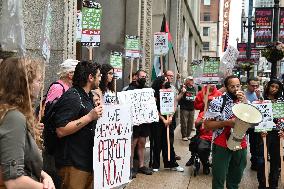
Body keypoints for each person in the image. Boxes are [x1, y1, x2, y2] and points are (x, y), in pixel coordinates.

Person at [0, 57, 55, 189]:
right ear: (24, 84)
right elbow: (13, 181)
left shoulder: (12, 113)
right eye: (38, 80)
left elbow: (17, 160)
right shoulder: (14, 117)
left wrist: (44, 175)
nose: (41, 85)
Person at [53, 60, 103, 189]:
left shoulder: (87, 96)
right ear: (90, 77)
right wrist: (89, 116)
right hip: (73, 163)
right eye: (99, 75)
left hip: (86, 160)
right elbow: (61, 129)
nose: (101, 78)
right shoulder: (72, 96)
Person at [204, 75, 248, 189]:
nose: (236, 89)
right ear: (226, 87)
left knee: (236, 177)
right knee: (219, 178)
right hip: (221, 144)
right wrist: (227, 123)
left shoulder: (245, 102)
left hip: (240, 143)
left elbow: (253, 122)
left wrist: (245, 104)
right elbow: (207, 125)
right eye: (232, 86)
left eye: (237, 86)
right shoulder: (217, 102)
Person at [42, 59, 78, 188]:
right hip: (55, 138)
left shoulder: (69, 88)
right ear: (70, 74)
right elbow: (49, 112)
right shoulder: (58, 87)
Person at [186, 85, 222, 175]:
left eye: (213, 101)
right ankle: (204, 163)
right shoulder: (201, 96)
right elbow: (197, 122)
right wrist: (202, 119)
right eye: (210, 101)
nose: (211, 103)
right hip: (205, 136)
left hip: (217, 136)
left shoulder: (220, 110)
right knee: (198, 145)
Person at [151, 76, 184, 172]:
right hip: (157, 122)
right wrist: (163, 119)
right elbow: (154, 108)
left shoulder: (169, 92)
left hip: (168, 120)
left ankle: (171, 163)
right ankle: (155, 165)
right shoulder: (155, 94)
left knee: (168, 143)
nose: (167, 81)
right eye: (165, 80)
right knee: (157, 143)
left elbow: (174, 104)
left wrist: (170, 117)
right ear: (161, 82)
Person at [256, 79, 284, 189]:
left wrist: (282, 130)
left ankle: (273, 184)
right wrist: (260, 129)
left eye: (277, 87)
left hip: (276, 134)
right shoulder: (262, 98)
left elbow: (280, 119)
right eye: (272, 86)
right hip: (262, 133)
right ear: (268, 86)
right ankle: (262, 183)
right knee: (261, 160)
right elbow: (257, 117)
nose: (274, 89)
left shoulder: (280, 100)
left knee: (275, 160)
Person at [125, 70, 153, 178]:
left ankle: (141, 165)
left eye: (145, 77)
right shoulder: (129, 89)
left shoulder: (147, 89)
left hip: (144, 121)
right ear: (136, 77)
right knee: (133, 144)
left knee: (142, 142)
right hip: (134, 122)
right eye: (142, 76)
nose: (144, 78)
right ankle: (130, 167)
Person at [164, 70, 182, 160]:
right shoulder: (161, 86)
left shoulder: (173, 88)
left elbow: (176, 100)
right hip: (163, 115)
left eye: (172, 76)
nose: (171, 77)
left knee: (171, 134)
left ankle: (171, 152)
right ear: (165, 76)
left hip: (172, 114)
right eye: (169, 75)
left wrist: (182, 93)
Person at [245, 77, 262, 171]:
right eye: (252, 85)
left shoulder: (259, 94)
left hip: (254, 125)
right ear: (247, 85)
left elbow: (263, 106)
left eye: (256, 85)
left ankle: (254, 162)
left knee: (254, 145)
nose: (255, 87)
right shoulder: (243, 94)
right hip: (244, 123)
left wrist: (259, 96)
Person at [178, 76, 197, 141]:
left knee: (191, 122)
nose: (192, 81)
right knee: (184, 122)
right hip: (184, 108)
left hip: (192, 107)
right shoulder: (184, 87)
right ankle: (184, 135)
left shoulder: (194, 88)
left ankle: (188, 135)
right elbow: (179, 96)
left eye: (192, 80)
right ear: (187, 81)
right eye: (190, 80)